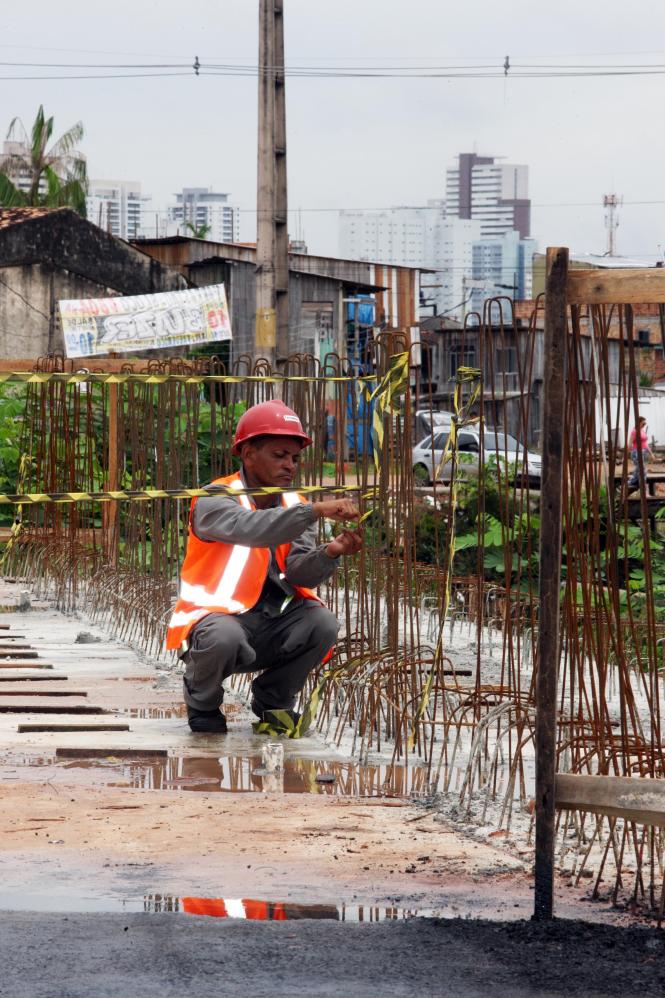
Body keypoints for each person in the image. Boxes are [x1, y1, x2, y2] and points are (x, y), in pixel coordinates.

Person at [166, 399, 363, 733]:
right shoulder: (215, 498)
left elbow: (299, 572)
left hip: (269, 625)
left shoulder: (295, 504)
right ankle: (203, 705)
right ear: (248, 454)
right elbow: (253, 528)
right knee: (224, 637)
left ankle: (273, 702)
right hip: (214, 625)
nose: (290, 465)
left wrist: (330, 552)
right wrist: (314, 511)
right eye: (279, 455)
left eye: (294, 458)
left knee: (322, 623)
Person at [626, 416, 654, 491]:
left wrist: (651, 453)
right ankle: (644, 489)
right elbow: (630, 443)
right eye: (643, 423)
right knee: (642, 470)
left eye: (645, 423)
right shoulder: (634, 431)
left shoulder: (642, 431)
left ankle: (629, 483)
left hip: (644, 453)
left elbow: (645, 444)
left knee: (638, 470)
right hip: (637, 453)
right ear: (639, 422)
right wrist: (627, 454)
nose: (645, 424)